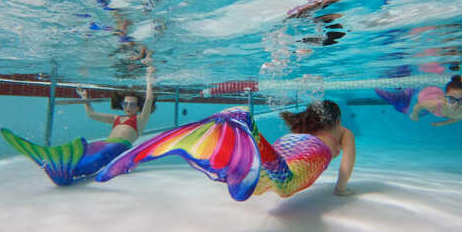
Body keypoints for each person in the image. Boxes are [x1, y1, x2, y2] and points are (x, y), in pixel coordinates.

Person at [95, 100, 356, 201]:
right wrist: (341, 189)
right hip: (310, 153)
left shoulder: (302, 129)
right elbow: (346, 165)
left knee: (262, 182)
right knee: (285, 185)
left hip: (288, 143)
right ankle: (245, 119)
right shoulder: (342, 132)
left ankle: (239, 145)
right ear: (335, 120)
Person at [0, 62, 155, 186]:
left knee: (96, 160)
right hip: (104, 144)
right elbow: (91, 114)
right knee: (83, 153)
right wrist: (84, 98)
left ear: (138, 107)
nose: (128, 107)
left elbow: (148, 99)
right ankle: (55, 163)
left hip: (119, 147)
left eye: (132, 104)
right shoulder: (116, 118)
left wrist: (149, 76)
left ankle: (61, 171)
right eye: (125, 104)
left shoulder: (140, 120)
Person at [375, 75, 462, 127]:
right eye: (451, 100)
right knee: (402, 105)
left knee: (404, 107)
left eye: (461, 100)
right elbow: (418, 106)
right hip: (423, 92)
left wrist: (441, 124)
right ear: (444, 98)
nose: (456, 104)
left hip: (434, 93)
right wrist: (414, 114)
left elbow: (457, 118)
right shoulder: (435, 105)